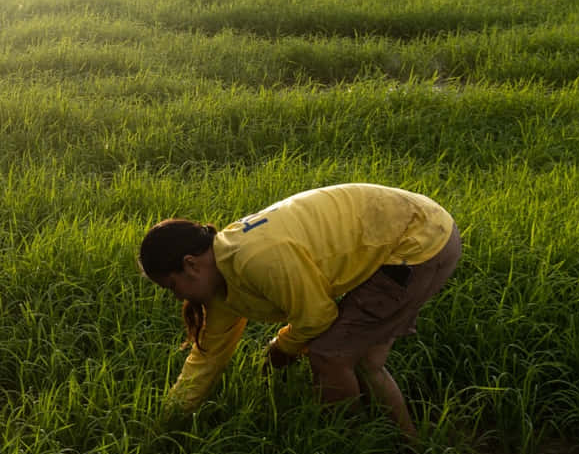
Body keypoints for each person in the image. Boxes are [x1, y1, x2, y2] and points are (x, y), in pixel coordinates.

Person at [137, 183, 462, 437]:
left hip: (417, 241)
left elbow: (318, 317)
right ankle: (410, 446)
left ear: (190, 265)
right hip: (420, 229)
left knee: (329, 355)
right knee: (366, 362)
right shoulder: (224, 278)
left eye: (172, 287)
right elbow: (207, 359)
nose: (177, 296)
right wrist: (168, 420)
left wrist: (282, 348)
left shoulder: (254, 259)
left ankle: (349, 449)